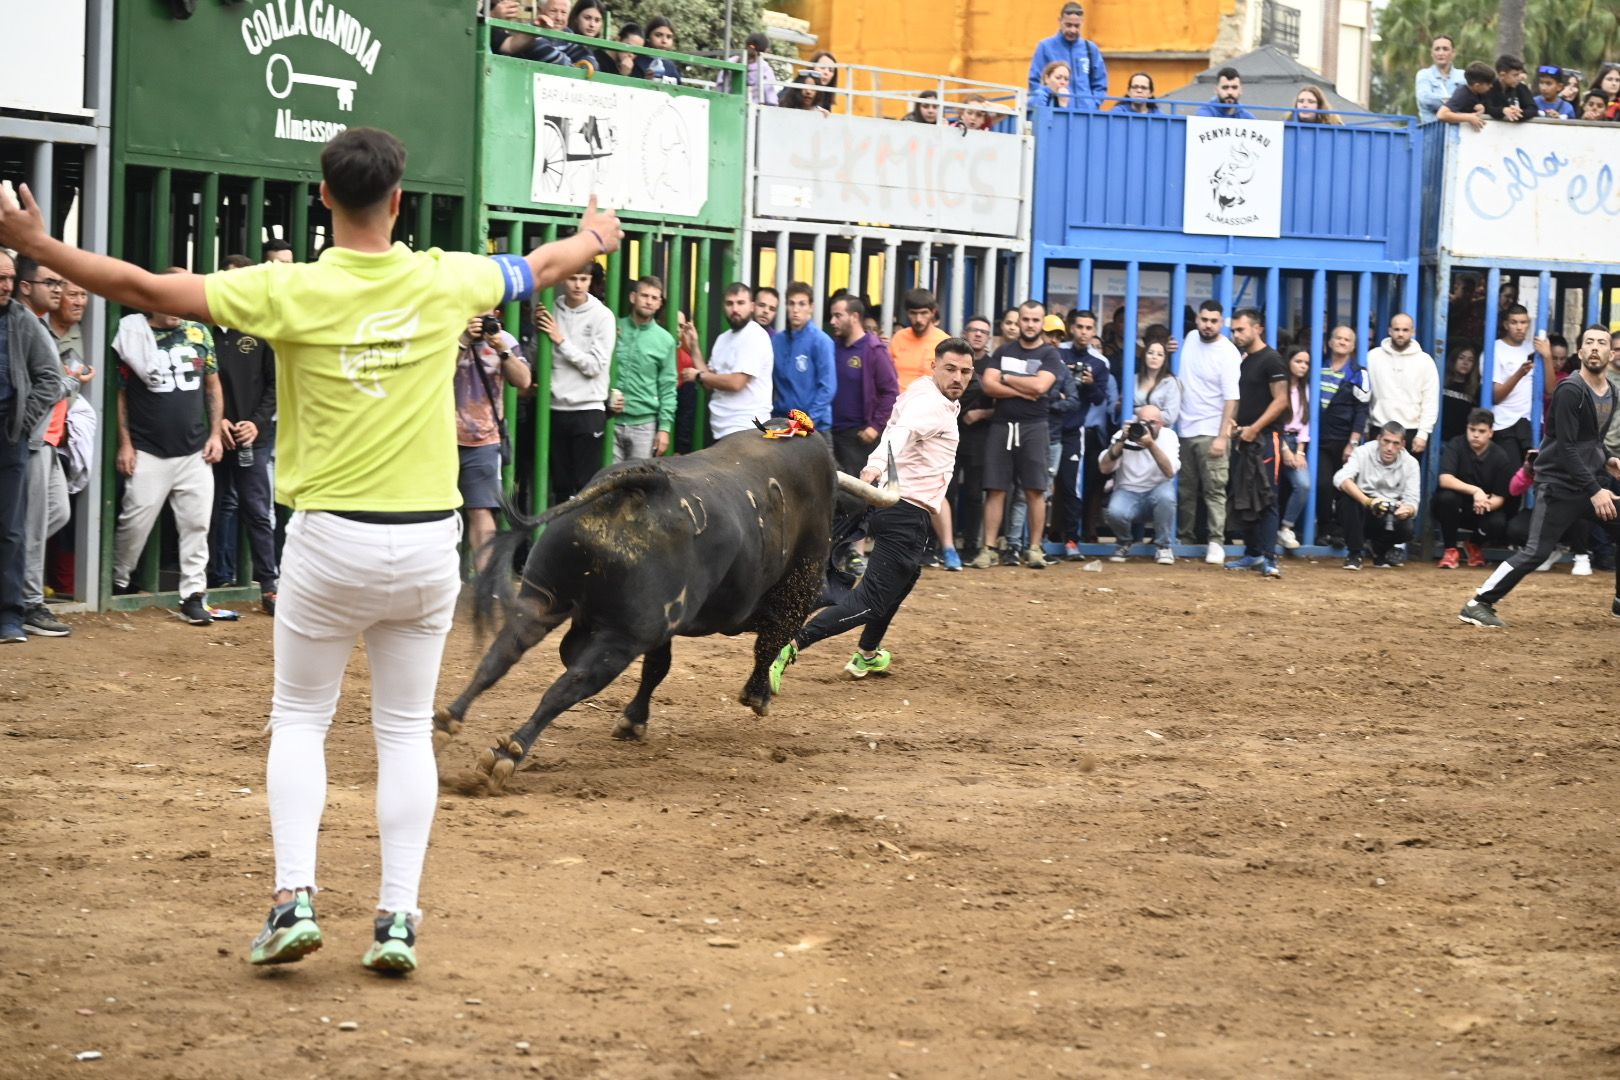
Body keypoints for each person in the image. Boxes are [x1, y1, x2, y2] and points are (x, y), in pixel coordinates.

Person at [0, 126, 627, 972]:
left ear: (325, 196)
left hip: (331, 541)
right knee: (403, 733)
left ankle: (294, 897)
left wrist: (38, 246)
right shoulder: (446, 277)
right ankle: (397, 917)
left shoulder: (286, 289)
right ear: (398, 201)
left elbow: (146, 285)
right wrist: (595, 234)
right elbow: (545, 266)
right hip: (424, 543)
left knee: (300, 719)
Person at [769, 338, 973, 690]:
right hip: (906, 512)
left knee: (903, 580)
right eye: (951, 369)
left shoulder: (926, 392)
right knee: (871, 599)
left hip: (897, 508)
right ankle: (791, 645)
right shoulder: (931, 405)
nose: (958, 377)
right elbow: (902, 433)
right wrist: (876, 465)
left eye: (966, 371)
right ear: (934, 366)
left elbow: (898, 426)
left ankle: (867, 652)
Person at [1460, 326, 1620, 627]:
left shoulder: (1611, 392)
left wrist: (1608, 459)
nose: (1595, 348)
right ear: (1580, 352)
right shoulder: (1570, 390)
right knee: (1536, 552)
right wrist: (1596, 490)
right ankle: (1478, 603)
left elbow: (1592, 441)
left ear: (1611, 354)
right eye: (1589, 343)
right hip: (1558, 484)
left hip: (1585, 483)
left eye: (1602, 343)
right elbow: (1567, 447)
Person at [108, 276, 224, 623]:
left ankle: (193, 595)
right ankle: (118, 579)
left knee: (197, 525)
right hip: (148, 449)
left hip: (194, 449)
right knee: (134, 521)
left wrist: (215, 433)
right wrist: (125, 444)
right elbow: (121, 393)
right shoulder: (132, 333)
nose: (177, 309)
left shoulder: (199, 333)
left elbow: (213, 386)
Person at [209, 254, 282, 613]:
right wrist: (216, 420)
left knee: (256, 509)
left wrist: (256, 422)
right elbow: (200, 384)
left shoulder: (263, 328)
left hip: (254, 435)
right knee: (211, 507)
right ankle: (209, 579)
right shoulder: (204, 327)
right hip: (212, 435)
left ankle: (269, 586)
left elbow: (276, 383)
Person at [0, 250, 65, 645]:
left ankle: (10, 615)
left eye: (9, 278)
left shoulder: (22, 321)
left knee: (10, 529)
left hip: (9, 437)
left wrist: (22, 424)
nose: (5, 286)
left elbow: (51, 378)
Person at [970, 300, 1063, 570]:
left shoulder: (1050, 354)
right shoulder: (1003, 350)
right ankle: (988, 549)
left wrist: (1007, 378)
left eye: (1036, 320)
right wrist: (1025, 390)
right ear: (1018, 321)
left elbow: (1042, 386)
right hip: (1002, 426)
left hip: (1035, 427)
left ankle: (1034, 549)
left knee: (1035, 490)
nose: (1030, 325)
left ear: (1041, 322)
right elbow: (988, 385)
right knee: (995, 489)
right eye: (1026, 319)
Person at [455, 309, 530, 569]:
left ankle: (485, 585)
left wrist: (501, 349)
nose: (481, 321)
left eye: (486, 315)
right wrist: (463, 340)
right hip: (440, 438)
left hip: (484, 440)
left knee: (481, 510)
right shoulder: (448, 334)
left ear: (497, 315)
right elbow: (430, 375)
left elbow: (524, 381)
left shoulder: (504, 340)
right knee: (436, 512)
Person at [536, 267, 615, 503]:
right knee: (560, 487)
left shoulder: (602, 316)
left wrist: (560, 340)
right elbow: (539, 358)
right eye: (572, 278)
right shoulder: (551, 309)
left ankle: (583, 540)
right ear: (563, 279)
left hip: (587, 408)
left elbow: (595, 366)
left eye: (583, 279)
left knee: (587, 489)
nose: (578, 285)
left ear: (591, 280)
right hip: (554, 407)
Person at [1175, 300, 1241, 563]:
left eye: (1214, 321)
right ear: (1198, 320)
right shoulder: (1190, 338)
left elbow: (1231, 399)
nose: (1208, 325)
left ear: (1222, 322)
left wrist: (1222, 436)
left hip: (1212, 431)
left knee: (1214, 490)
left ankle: (1216, 541)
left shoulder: (1228, 352)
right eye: (1204, 319)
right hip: (1185, 429)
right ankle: (1185, 539)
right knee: (1186, 491)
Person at [1223, 309, 1288, 578]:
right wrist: (1232, 423)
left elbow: (1282, 400)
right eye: (1234, 331)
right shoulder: (1245, 360)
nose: (1236, 335)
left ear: (1257, 328)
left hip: (1265, 439)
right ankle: (1252, 553)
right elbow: (1239, 398)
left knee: (1267, 497)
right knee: (1243, 496)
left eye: (1241, 330)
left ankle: (1270, 558)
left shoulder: (1272, 360)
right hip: (1244, 439)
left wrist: (1255, 428)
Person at [682, 282, 773, 439]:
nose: (735, 309)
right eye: (730, 303)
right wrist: (695, 349)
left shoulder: (755, 335)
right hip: (722, 430)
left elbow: (736, 382)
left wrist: (698, 376)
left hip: (747, 429)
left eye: (740, 303)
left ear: (752, 306)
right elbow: (710, 383)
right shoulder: (722, 339)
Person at [1335, 422, 1422, 570]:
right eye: (1386, 441)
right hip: (1364, 506)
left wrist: (1407, 510)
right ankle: (1355, 553)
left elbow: (1413, 501)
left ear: (1402, 445)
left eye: (1395, 443)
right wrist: (1368, 501)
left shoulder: (1411, 463)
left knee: (1407, 527)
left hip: (1390, 510)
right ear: (1378, 439)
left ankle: (1380, 551)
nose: (1389, 448)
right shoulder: (1362, 452)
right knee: (1347, 500)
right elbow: (1340, 479)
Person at [828, 294, 899, 476]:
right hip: (830, 433)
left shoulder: (874, 350)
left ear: (854, 317)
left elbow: (891, 392)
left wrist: (875, 427)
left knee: (857, 496)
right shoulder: (832, 347)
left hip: (858, 437)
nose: (832, 321)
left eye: (838, 315)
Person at [1100, 404, 1179, 564]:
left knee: (1167, 497)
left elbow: (1169, 472)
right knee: (1114, 511)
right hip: (1127, 491)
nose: (1147, 426)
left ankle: (1163, 547)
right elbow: (1104, 468)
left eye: (1152, 422)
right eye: (1143, 422)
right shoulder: (1123, 436)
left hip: (1157, 490)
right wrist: (1122, 441)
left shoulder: (1169, 436)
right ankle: (1124, 543)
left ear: (1161, 424)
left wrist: (1150, 444)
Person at [1435, 407, 1513, 568]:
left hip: (1482, 510)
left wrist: (1484, 503)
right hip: (1455, 507)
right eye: (1472, 429)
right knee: (1446, 498)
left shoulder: (1501, 456)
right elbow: (1445, 479)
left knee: (1498, 523)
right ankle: (1450, 549)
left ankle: (1473, 544)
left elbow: (1499, 497)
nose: (1476, 434)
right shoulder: (1456, 444)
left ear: (1491, 433)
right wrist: (1476, 491)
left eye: (1481, 431)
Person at [609, 275, 676, 462]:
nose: (649, 301)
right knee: (607, 484)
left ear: (660, 303)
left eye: (654, 298)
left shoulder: (665, 340)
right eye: (644, 295)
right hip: (610, 420)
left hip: (644, 424)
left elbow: (668, 387)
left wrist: (664, 428)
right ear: (633, 297)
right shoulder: (613, 327)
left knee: (638, 487)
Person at [1315, 324, 1369, 546]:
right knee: (1323, 485)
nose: (1342, 342)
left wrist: (1353, 442)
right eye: (1338, 338)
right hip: (1320, 441)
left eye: (1347, 340)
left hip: (1345, 441)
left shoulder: (1359, 373)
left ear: (1353, 346)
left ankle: (1340, 532)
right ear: (1330, 342)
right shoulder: (1317, 368)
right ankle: (1324, 529)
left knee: (1344, 487)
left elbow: (1362, 409)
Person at [1364, 313, 1437, 454]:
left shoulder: (1425, 361)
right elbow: (1365, 393)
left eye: (1405, 330)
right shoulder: (1373, 357)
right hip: (1378, 428)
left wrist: (1423, 433)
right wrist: (1365, 427)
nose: (1400, 334)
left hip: (1411, 432)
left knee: (1407, 476)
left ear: (1413, 332)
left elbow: (1430, 400)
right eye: (1397, 329)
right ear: (1389, 331)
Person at [1488, 304, 1550, 467]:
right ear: (1506, 324)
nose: (1519, 327)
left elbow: (1550, 390)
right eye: (1514, 322)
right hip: (1504, 423)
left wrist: (1548, 356)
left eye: (1523, 323)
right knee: (1512, 476)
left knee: (1534, 476)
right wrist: (1519, 374)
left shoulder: (1533, 349)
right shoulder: (1495, 349)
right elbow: (1495, 396)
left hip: (1531, 422)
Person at [771, 281, 836, 433]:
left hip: (815, 426)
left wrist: (809, 420)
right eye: (791, 304)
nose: (796, 310)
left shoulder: (821, 341)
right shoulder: (777, 341)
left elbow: (828, 387)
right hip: (782, 422)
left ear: (811, 308)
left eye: (802, 304)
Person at [1026, 2, 1107, 110]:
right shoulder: (1045, 47)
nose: (1072, 30)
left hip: (1085, 115)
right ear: (1060, 21)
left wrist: (1092, 104)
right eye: (1068, 25)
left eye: (1076, 26)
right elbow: (1035, 82)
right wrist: (1049, 102)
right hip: (1055, 112)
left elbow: (1100, 83)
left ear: (1082, 23)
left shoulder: (1091, 49)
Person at [1277, 347, 1312, 550]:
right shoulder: (1279, 387)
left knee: (1304, 484)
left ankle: (1286, 528)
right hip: (1277, 440)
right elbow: (1275, 420)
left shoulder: (1304, 388)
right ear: (1288, 362)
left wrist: (1299, 451)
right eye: (1298, 361)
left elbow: (1305, 424)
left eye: (1306, 363)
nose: (1302, 366)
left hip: (1296, 442)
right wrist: (1284, 449)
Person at [889, 288, 949, 391]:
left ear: (933, 312)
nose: (918, 319)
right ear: (907, 313)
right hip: (897, 402)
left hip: (929, 403)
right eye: (913, 313)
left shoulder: (945, 342)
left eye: (923, 313)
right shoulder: (899, 337)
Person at [1415, 34, 1465, 124]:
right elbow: (1425, 99)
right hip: (1432, 134)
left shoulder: (1463, 76)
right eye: (1437, 49)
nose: (1440, 53)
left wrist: (1446, 103)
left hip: (1459, 134)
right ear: (1432, 53)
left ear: (1453, 53)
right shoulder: (1424, 74)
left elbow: (1472, 101)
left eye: (1445, 49)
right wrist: (1457, 103)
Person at [1437, 62, 1497, 131]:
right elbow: (1442, 114)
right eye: (1488, 84)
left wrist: (1483, 109)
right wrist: (1469, 117)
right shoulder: (1462, 94)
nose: (1491, 86)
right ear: (1477, 85)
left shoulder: (1481, 92)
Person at [1440, 344, 1481, 444]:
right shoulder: (1441, 383)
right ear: (1453, 360)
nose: (1465, 363)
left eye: (1470, 360)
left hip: (1461, 444)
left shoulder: (1474, 390)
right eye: (1461, 358)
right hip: (1438, 439)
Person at [1134, 338, 1180, 427]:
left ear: (1164, 360)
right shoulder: (1133, 379)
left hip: (1161, 432)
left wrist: (1139, 412)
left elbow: (1170, 416)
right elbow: (1125, 408)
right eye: (1150, 353)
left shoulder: (1170, 382)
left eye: (1160, 354)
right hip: (1135, 431)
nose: (1154, 357)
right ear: (1144, 356)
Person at [1486, 55, 1538, 122]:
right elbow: (1487, 107)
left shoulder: (1521, 87)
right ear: (1502, 75)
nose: (1519, 78)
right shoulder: (1489, 88)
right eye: (1515, 75)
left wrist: (1518, 113)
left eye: (1520, 74)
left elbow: (1533, 109)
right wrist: (1503, 111)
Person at [636, 16, 682, 84]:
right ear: (648, 37)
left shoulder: (672, 66)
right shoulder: (637, 61)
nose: (664, 41)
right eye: (658, 35)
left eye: (669, 37)